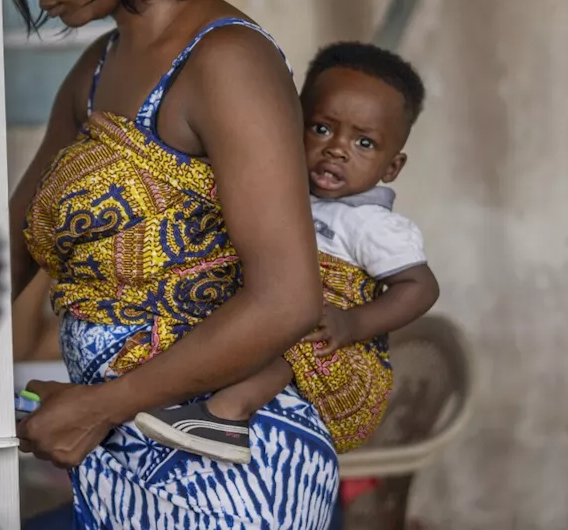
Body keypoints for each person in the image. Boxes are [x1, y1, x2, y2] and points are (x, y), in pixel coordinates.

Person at [2, 0, 337, 526]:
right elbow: (12, 249)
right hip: (120, 459)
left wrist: (103, 403)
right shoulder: (94, 73)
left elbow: (287, 300)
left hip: (232, 466)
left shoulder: (226, 63)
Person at [134, 42, 442, 462]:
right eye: (321, 129)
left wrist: (352, 324)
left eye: (364, 143)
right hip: (273, 331)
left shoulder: (374, 225)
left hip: (343, 363)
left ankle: (227, 414)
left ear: (391, 168)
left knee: (294, 317)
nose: (337, 148)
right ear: (291, 124)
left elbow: (420, 287)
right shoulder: (282, 193)